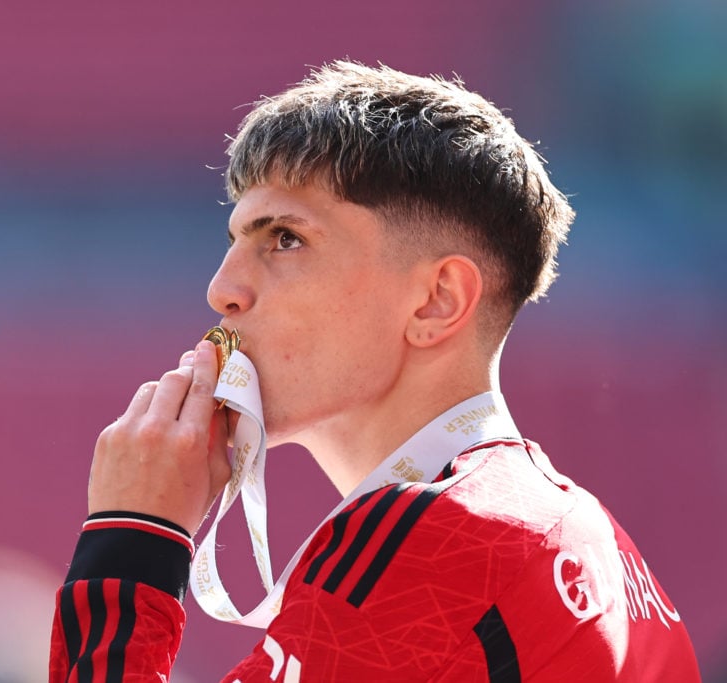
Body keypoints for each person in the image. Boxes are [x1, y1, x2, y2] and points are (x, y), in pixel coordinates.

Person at [49, 61, 701, 681]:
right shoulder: (605, 547)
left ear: (436, 300)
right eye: (235, 241)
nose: (224, 289)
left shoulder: (436, 541)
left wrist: (133, 539)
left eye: (285, 239)